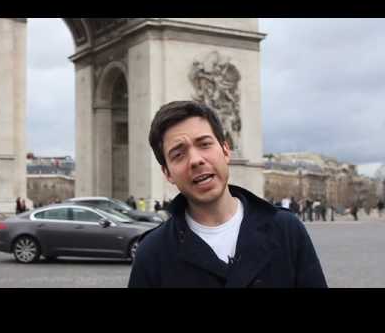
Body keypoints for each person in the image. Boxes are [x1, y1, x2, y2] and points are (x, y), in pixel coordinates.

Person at [128, 101, 327, 288]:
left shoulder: (287, 230)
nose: (196, 160)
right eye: (179, 154)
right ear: (167, 173)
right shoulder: (151, 254)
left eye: (204, 144)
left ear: (225, 150)